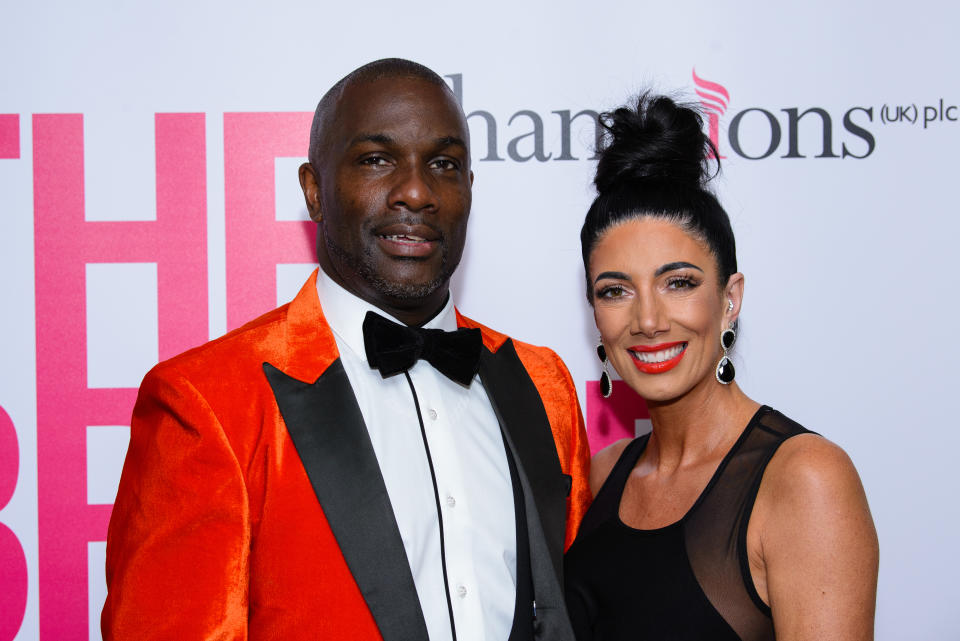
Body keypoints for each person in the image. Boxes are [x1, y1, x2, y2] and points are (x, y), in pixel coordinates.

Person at [102, 58, 591, 641]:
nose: (416, 191)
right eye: (377, 160)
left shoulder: (543, 384)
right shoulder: (208, 403)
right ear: (314, 190)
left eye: (444, 164)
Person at [563, 94, 879, 640]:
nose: (648, 320)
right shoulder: (603, 472)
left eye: (678, 282)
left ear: (729, 298)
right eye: (615, 291)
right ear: (595, 315)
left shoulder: (805, 479)